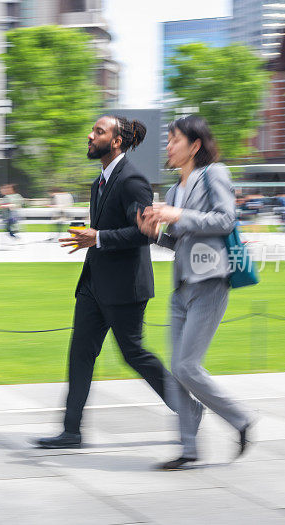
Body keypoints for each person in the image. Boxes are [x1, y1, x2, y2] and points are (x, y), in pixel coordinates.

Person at [32, 115, 197, 450]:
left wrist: (99, 238)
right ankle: (71, 431)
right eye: (92, 130)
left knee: (134, 354)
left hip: (124, 288)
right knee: (80, 354)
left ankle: (188, 408)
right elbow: (106, 234)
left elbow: (144, 233)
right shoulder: (99, 183)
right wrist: (93, 240)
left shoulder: (133, 180)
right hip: (94, 285)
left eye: (98, 131)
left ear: (117, 141)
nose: (90, 136)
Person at [137, 115, 254, 470]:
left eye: (174, 140)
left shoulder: (214, 174)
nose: (168, 147)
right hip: (181, 287)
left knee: (187, 366)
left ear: (195, 145)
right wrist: (154, 233)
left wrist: (178, 214)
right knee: (178, 370)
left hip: (211, 283)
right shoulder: (174, 190)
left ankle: (241, 419)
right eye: (168, 140)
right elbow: (178, 241)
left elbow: (225, 220)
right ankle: (188, 449)